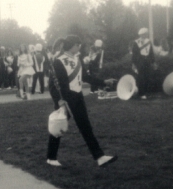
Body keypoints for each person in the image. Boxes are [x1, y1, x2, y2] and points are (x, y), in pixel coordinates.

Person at [46, 34, 117, 168]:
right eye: (78, 45)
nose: (79, 48)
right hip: (66, 99)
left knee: (81, 126)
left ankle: (99, 157)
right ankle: (51, 158)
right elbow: (52, 85)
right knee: (61, 127)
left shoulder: (77, 59)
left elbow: (85, 77)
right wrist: (59, 101)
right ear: (72, 45)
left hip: (78, 96)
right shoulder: (58, 61)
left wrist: (103, 82)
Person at [131, 28, 157, 100]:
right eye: (146, 34)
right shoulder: (136, 42)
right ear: (142, 34)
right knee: (141, 78)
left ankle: (146, 93)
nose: (147, 35)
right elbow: (134, 54)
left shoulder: (149, 41)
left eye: (147, 33)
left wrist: (153, 62)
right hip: (140, 62)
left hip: (147, 62)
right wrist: (134, 63)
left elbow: (151, 53)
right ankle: (141, 93)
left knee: (147, 77)